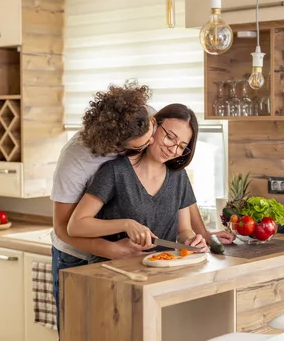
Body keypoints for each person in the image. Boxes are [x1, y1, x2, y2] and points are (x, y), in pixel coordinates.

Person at [50, 82, 234, 333]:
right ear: (121, 147)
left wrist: (200, 236)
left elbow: (184, 218)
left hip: (146, 273)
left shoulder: (144, 119)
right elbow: (66, 227)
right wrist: (115, 247)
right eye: (166, 138)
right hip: (79, 256)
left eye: (181, 145)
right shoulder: (83, 160)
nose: (168, 146)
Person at [66, 104, 212, 262]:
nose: (173, 149)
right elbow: (76, 225)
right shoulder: (115, 171)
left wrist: (191, 241)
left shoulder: (178, 176)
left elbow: (184, 230)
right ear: (153, 126)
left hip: (160, 272)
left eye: (182, 147)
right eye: (170, 137)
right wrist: (125, 224)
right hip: (114, 273)